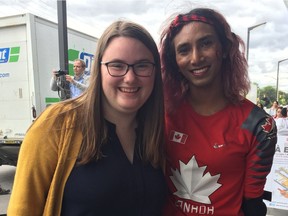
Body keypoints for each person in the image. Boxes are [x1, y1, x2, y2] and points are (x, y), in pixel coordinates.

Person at [8, 20, 166, 216]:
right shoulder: (55, 125)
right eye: (116, 65)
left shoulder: (158, 130)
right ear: (98, 69)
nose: (130, 77)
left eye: (142, 65)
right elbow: (23, 209)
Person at [159, 8, 277, 216]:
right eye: (184, 50)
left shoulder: (259, 125)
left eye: (205, 43)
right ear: (174, 61)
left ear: (224, 48)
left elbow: (253, 205)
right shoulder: (161, 114)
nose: (196, 58)